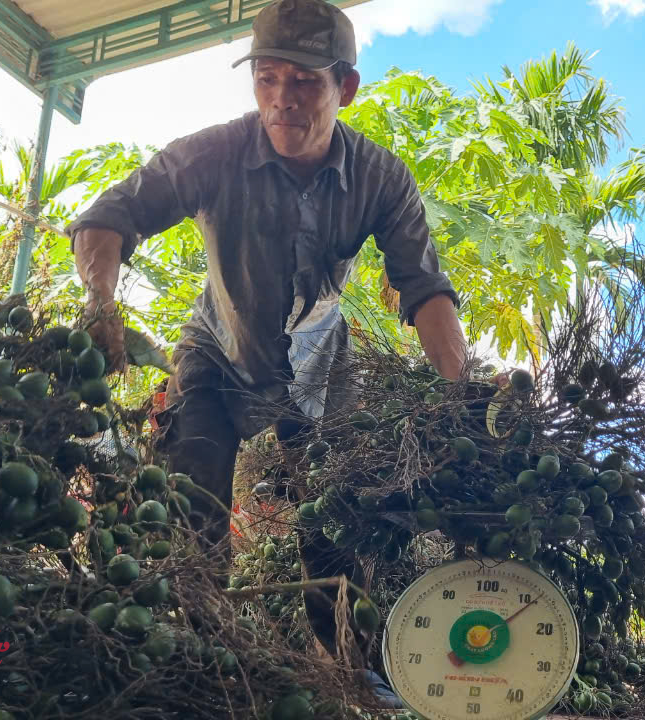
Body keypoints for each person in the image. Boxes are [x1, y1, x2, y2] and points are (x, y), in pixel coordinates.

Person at [64, 0, 477, 704]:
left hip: (321, 366)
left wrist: (462, 397)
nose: (282, 100)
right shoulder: (212, 153)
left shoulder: (382, 177)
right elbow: (107, 218)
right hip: (216, 354)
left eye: (306, 83)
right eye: (267, 78)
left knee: (336, 522)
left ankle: (356, 668)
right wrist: (100, 304)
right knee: (190, 506)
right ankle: (194, 655)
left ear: (345, 88)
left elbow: (426, 290)